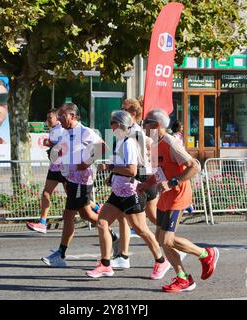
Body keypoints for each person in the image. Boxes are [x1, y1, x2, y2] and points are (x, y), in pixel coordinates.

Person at [137, 109, 219, 293]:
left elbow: (195, 166)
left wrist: (173, 182)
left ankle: (206, 254)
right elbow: (161, 172)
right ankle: (183, 278)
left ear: (156, 125)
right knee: (161, 239)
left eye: (145, 123)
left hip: (178, 194)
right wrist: (146, 184)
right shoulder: (156, 143)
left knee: (167, 238)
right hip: (166, 195)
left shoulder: (170, 142)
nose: (143, 127)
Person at [86, 110, 170, 279]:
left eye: (112, 123)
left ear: (119, 125)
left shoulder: (129, 143)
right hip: (118, 192)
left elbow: (131, 170)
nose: (110, 126)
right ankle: (105, 265)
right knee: (102, 223)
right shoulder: (120, 141)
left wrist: (109, 168)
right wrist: (112, 176)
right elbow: (120, 166)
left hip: (131, 192)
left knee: (141, 230)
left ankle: (161, 261)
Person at [41, 103, 117, 267]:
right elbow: (65, 151)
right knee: (87, 215)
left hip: (82, 181)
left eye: (62, 116)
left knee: (68, 215)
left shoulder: (85, 132)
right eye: (59, 116)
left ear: (72, 116)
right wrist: (55, 154)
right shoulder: (66, 133)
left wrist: (87, 162)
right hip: (72, 179)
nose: (59, 119)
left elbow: (103, 147)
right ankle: (113, 236)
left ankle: (61, 254)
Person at [26, 108, 67, 234]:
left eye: (50, 118)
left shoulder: (62, 129)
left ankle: (98, 210)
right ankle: (42, 223)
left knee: (76, 199)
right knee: (46, 193)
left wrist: (50, 144)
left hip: (65, 167)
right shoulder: (54, 130)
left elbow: (64, 146)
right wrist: (50, 144)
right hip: (54, 167)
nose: (48, 120)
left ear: (57, 118)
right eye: (48, 117)